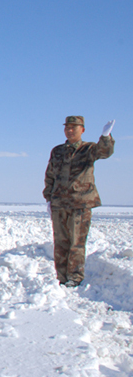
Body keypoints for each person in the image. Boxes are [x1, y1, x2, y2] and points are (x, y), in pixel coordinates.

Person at [43, 116, 115, 287]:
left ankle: (75, 278)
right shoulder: (57, 151)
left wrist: (105, 137)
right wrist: (48, 198)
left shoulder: (88, 149)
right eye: (67, 127)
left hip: (80, 204)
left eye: (74, 127)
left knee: (77, 242)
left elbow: (104, 152)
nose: (69, 130)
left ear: (82, 130)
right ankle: (61, 277)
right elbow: (50, 175)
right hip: (59, 204)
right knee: (61, 243)